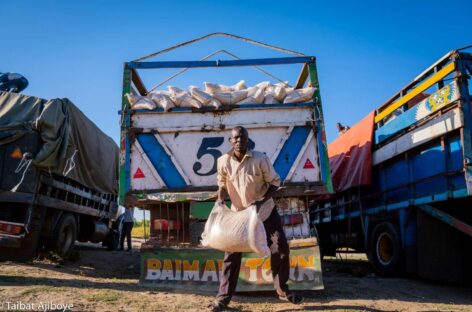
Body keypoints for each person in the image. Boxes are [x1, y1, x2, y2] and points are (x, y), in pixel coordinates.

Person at [209, 126, 303, 312]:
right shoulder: (222, 161)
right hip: (239, 217)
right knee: (231, 257)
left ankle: (282, 289)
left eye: (242, 137)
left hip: (265, 213)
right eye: (235, 138)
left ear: (247, 139)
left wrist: (261, 201)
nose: (239, 140)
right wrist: (220, 201)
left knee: (281, 248)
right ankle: (222, 299)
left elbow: (275, 183)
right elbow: (222, 185)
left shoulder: (260, 158)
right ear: (230, 141)